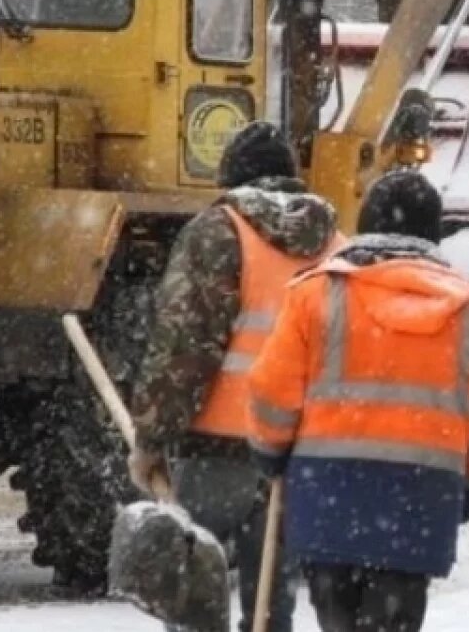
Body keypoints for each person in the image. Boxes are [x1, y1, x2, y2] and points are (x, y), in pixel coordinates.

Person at [246, 171, 469, 632]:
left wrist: (270, 456)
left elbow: (272, 393)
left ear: (366, 224)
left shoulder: (315, 296)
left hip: (327, 498)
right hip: (419, 507)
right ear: (434, 233)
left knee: (336, 616)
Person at [129, 122, 345, 632]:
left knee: (192, 599)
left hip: (216, 453)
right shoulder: (337, 246)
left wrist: (151, 436)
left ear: (231, 175)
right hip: (298, 456)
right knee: (272, 609)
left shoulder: (219, 232)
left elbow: (183, 347)